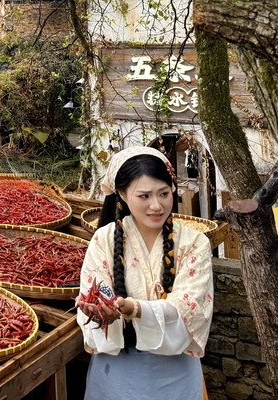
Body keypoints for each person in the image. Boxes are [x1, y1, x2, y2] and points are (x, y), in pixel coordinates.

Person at [75, 146, 213, 399]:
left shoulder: (194, 243)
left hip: (175, 375)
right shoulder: (103, 240)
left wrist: (135, 308)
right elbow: (96, 294)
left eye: (163, 193)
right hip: (116, 375)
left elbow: (189, 306)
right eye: (144, 196)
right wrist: (100, 313)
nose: (156, 205)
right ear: (122, 195)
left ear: (173, 189)